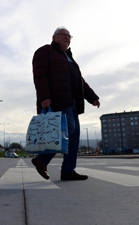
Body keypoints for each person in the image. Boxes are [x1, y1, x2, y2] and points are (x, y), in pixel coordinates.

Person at [31, 27, 100, 181]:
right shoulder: (45, 51)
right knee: (66, 130)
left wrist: (92, 97)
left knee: (74, 137)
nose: (67, 38)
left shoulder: (69, 58)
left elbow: (80, 82)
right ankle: (41, 160)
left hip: (73, 102)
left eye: (69, 36)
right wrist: (44, 96)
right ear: (54, 37)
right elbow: (39, 75)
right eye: (63, 35)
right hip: (57, 100)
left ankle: (68, 170)